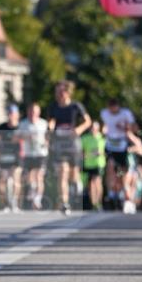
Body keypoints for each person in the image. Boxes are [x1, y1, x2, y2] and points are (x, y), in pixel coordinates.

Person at [46, 80, 90, 215]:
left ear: (67, 92)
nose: (58, 94)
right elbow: (51, 121)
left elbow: (88, 121)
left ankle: (77, 186)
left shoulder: (76, 106)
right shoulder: (53, 106)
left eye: (61, 91)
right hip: (60, 143)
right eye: (57, 92)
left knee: (73, 175)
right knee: (62, 173)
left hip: (73, 144)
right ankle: (65, 203)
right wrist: (50, 129)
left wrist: (79, 129)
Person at [100, 97, 138, 213]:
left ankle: (126, 199)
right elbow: (104, 125)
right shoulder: (104, 113)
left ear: (117, 107)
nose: (112, 110)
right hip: (111, 145)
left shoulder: (126, 114)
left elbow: (134, 127)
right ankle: (111, 195)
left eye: (114, 108)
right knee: (110, 167)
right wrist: (104, 130)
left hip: (122, 146)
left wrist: (126, 128)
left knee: (122, 175)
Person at [15, 103, 49, 210]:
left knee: (39, 175)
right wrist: (24, 137)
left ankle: (38, 198)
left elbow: (48, 137)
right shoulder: (23, 124)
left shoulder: (43, 123)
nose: (32, 114)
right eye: (31, 111)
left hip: (40, 153)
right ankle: (32, 191)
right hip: (28, 153)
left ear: (38, 112)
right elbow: (16, 137)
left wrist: (46, 142)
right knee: (29, 177)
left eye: (35, 111)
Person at [0, 104, 23, 212]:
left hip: (16, 157)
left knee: (16, 179)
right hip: (3, 157)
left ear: (17, 115)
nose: (11, 116)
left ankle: (14, 202)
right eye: (9, 113)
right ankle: (5, 204)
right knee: (1, 182)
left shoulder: (20, 127)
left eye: (13, 113)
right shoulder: (1, 127)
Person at [80, 121, 106, 211]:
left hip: (99, 163)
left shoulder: (102, 137)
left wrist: (99, 153)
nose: (94, 130)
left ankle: (99, 203)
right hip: (88, 164)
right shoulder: (85, 138)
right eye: (92, 128)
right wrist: (87, 154)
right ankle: (93, 203)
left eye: (96, 128)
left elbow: (105, 151)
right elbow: (81, 152)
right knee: (91, 184)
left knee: (97, 182)